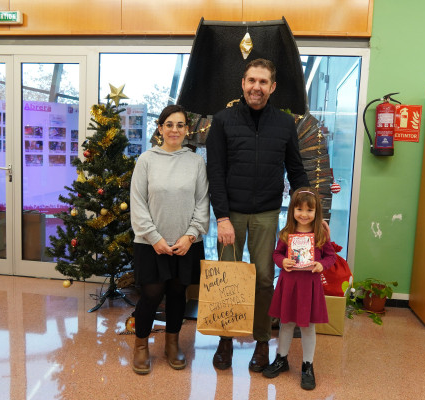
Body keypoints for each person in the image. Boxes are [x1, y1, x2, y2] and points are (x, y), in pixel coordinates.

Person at [206, 58, 310, 372]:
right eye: (252, 80)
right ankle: (225, 339)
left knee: (265, 279)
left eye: (263, 82)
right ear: (243, 83)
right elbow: (215, 171)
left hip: (267, 213)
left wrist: (310, 217)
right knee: (228, 279)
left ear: (272, 87)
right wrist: (222, 217)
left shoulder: (284, 123)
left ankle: (262, 340)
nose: (257, 87)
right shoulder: (223, 121)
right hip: (231, 215)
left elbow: (296, 170)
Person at [130, 104, 210, 375]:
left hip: (186, 243)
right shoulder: (146, 160)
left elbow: (202, 202)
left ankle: (172, 343)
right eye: (170, 124)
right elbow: (138, 203)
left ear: (187, 130)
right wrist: (154, 238)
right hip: (151, 244)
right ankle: (141, 346)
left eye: (180, 125)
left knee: (178, 293)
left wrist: (191, 235)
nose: (175, 130)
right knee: (151, 294)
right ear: (160, 128)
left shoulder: (196, 162)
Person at [262, 187, 335, 390]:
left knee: (308, 327)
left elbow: (331, 257)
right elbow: (276, 254)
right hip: (289, 285)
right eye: (299, 209)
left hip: (309, 287)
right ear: (292, 209)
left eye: (309, 210)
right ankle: (281, 359)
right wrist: (282, 261)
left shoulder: (320, 235)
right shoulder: (286, 233)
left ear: (316, 212)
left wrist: (322, 265)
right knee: (286, 324)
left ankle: (307, 365)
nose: (304, 214)